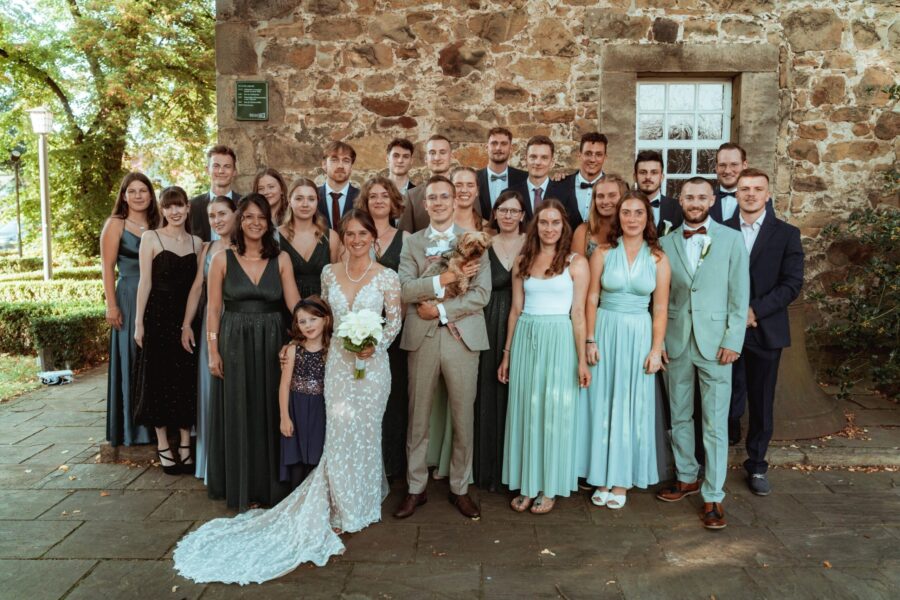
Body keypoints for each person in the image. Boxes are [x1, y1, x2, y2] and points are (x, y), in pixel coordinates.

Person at [174, 209, 402, 583]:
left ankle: (362, 500)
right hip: (336, 367)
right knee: (338, 436)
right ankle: (339, 503)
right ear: (343, 238)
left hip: (371, 368)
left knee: (366, 433)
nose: (356, 240)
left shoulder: (387, 277)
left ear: (373, 238)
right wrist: (294, 344)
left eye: (363, 234)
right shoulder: (329, 274)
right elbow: (319, 318)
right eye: (350, 234)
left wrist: (374, 345)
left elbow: (393, 322)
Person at [656, 177, 749, 530]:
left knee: (714, 422)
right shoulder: (665, 242)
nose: (695, 202)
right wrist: (659, 341)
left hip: (716, 344)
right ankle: (686, 477)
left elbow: (739, 294)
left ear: (712, 200)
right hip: (676, 340)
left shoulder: (732, 239)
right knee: (679, 415)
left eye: (701, 197)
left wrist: (733, 340)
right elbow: (660, 297)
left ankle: (713, 495)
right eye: (689, 197)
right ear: (679, 200)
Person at [395, 175, 491, 520]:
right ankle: (415, 488)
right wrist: (445, 279)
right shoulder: (412, 243)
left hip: (462, 337)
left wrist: (440, 310)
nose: (438, 203)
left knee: (462, 417)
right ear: (424, 204)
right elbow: (405, 289)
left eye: (444, 197)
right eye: (432, 198)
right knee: (417, 416)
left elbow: (481, 294)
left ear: (455, 201)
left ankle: (460, 488)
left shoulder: (473, 240)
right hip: (422, 337)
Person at [205, 194, 301, 511]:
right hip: (234, 344)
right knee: (239, 409)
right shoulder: (221, 259)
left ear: (268, 222)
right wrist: (213, 350)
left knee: (271, 409)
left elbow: (295, 306)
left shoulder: (281, 260)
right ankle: (241, 486)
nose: (255, 222)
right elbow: (214, 309)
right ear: (239, 220)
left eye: (261, 217)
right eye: (249, 216)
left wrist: (308, 336)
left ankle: (271, 485)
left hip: (273, 342)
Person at [499, 200, 590, 514]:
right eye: (543, 222)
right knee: (526, 411)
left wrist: (581, 360)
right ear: (535, 226)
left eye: (555, 222)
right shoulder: (523, 260)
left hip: (559, 339)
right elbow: (515, 309)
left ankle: (549, 486)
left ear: (563, 226)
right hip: (526, 337)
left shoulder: (576, 263)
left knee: (554, 413)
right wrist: (507, 354)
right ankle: (526, 484)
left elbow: (579, 314)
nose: (549, 228)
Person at [582, 191, 671, 510]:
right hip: (606, 329)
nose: (632, 218)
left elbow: (660, 307)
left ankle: (621, 480)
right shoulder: (603, 253)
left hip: (639, 334)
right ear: (618, 217)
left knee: (632, 404)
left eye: (638, 213)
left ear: (648, 218)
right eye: (626, 212)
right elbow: (591, 297)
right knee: (602, 403)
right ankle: (601, 477)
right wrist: (590, 339)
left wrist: (656, 349)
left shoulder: (659, 258)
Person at [724, 169, 803, 495]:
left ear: (767, 194)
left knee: (761, 400)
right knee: (724, 398)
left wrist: (754, 311)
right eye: (745, 188)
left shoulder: (786, 234)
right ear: (736, 194)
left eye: (758, 189)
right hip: (725, 328)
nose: (751, 194)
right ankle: (712, 458)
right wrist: (734, 313)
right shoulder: (720, 230)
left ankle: (756, 464)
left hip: (765, 329)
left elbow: (792, 284)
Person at [132, 186, 202, 474]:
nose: (175, 211)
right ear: (162, 210)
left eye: (179, 205)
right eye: (169, 206)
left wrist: (189, 322)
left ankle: (185, 444)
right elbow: (144, 282)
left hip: (187, 319)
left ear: (187, 208)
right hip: (157, 318)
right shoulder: (151, 238)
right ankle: (163, 444)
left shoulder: (198, 243)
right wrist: (138, 322)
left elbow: (198, 287)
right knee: (158, 379)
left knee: (185, 378)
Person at [180, 196, 238, 482]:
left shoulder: (245, 248)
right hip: (210, 324)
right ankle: (210, 463)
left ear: (235, 214)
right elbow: (196, 288)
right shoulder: (207, 248)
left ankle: (234, 459)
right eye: (212, 216)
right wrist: (186, 324)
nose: (217, 220)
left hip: (237, 321)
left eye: (222, 214)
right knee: (210, 390)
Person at [356, 176, 410, 479]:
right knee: (364, 398)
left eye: (384, 196)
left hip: (396, 331)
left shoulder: (406, 238)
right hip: (359, 334)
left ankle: (391, 466)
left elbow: (409, 285)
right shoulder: (356, 237)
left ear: (393, 202)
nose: (378, 200)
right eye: (373, 196)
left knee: (394, 397)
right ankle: (365, 462)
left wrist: (392, 326)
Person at [101, 172, 160, 447]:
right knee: (133, 358)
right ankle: (133, 429)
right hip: (128, 295)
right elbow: (107, 267)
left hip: (158, 297)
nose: (138, 195)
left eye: (143, 190)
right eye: (132, 191)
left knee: (155, 360)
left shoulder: (158, 223)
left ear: (150, 195)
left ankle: (158, 424)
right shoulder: (115, 224)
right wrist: (111, 305)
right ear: (124, 196)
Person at [475, 190, 526, 491]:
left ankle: (517, 469)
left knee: (517, 393)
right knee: (487, 391)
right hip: (487, 320)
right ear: (494, 213)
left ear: (522, 215)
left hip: (524, 321)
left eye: (514, 210)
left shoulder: (532, 243)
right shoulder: (483, 244)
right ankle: (488, 468)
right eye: (503, 210)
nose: (508, 215)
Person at [279, 297, 333, 490]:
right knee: (296, 459)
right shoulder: (293, 350)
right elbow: (284, 385)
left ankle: (313, 501)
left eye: (313, 319)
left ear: (325, 319)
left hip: (320, 410)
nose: (308, 325)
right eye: (302, 321)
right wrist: (284, 417)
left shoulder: (331, 350)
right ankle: (295, 499)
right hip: (297, 408)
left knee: (316, 457)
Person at [280, 178, 340, 298]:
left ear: (317, 202)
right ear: (289, 201)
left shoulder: (331, 237)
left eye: (311, 199)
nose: (305, 204)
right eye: (299, 198)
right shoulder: (275, 236)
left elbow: (337, 281)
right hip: (282, 306)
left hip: (322, 306)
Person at [508, 135, 580, 231]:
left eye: (544, 158)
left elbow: (575, 227)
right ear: (525, 160)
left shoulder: (566, 193)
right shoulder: (510, 194)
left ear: (552, 162)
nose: (538, 162)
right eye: (533, 157)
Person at [398, 134, 453, 233]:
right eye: (432, 153)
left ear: (451, 156)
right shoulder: (412, 197)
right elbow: (404, 238)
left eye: (442, 152)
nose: (437, 158)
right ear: (426, 158)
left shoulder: (466, 193)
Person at [553, 132, 608, 223]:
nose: (592, 159)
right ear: (579, 155)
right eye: (588, 153)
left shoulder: (617, 187)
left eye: (598, 154)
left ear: (605, 157)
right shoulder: (560, 185)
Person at [190, 145, 241, 242]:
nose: (221, 171)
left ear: (234, 171)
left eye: (227, 166)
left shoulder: (244, 205)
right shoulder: (193, 206)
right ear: (207, 170)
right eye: (216, 166)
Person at [476, 127, 527, 218]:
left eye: (504, 144)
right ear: (486, 147)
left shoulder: (525, 178)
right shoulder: (474, 178)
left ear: (511, 148)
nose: (498, 148)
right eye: (494, 143)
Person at [572, 174, 627, 259]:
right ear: (594, 200)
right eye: (600, 196)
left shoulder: (630, 229)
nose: (605, 201)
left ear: (623, 197)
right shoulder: (583, 231)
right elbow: (576, 266)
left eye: (612, 195)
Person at [634, 150, 682, 235]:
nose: (648, 177)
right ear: (635, 177)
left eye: (654, 172)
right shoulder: (623, 207)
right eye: (643, 172)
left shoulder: (678, 208)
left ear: (662, 177)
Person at [316, 141, 360, 230]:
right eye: (334, 160)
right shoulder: (313, 196)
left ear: (351, 167)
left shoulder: (362, 197)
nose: (340, 166)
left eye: (346, 161)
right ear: (324, 165)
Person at [452, 166, 489, 232]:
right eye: (458, 185)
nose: (464, 190)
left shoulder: (487, 228)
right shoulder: (438, 223)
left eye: (470, 185)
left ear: (477, 191)